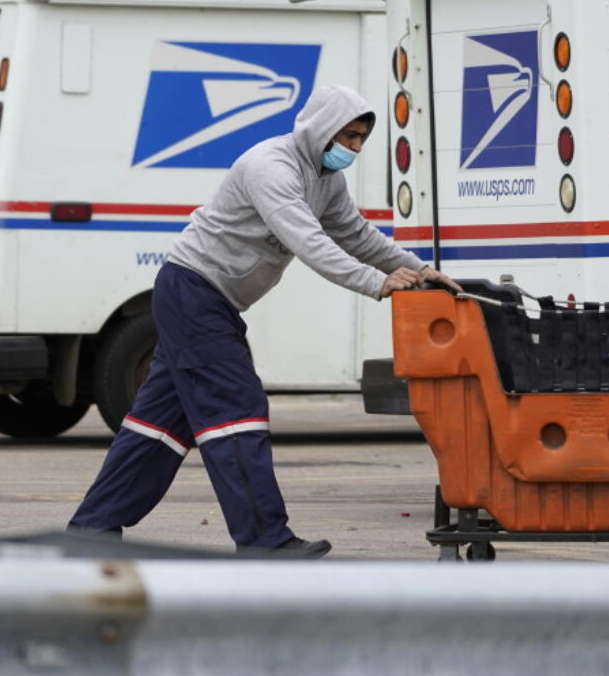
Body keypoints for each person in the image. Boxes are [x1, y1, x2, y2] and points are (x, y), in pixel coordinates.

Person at [68, 85, 460, 558]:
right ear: (320, 128)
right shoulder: (270, 167)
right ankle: (263, 540)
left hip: (206, 299)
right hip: (194, 292)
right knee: (236, 410)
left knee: (159, 427)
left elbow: (355, 234)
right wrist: (376, 284)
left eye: (361, 139)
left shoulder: (325, 178)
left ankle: (92, 528)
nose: (354, 148)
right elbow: (308, 240)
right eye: (349, 136)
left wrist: (416, 269)